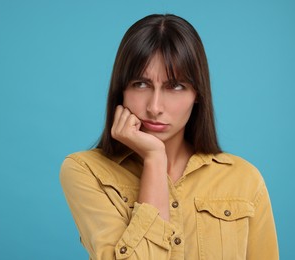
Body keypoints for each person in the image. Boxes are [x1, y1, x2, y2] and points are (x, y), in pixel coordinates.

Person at [60, 14, 279, 259]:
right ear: (120, 89)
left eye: (175, 86)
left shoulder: (244, 179)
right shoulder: (86, 171)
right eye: (140, 84)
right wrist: (155, 159)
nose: (154, 107)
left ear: (198, 93)